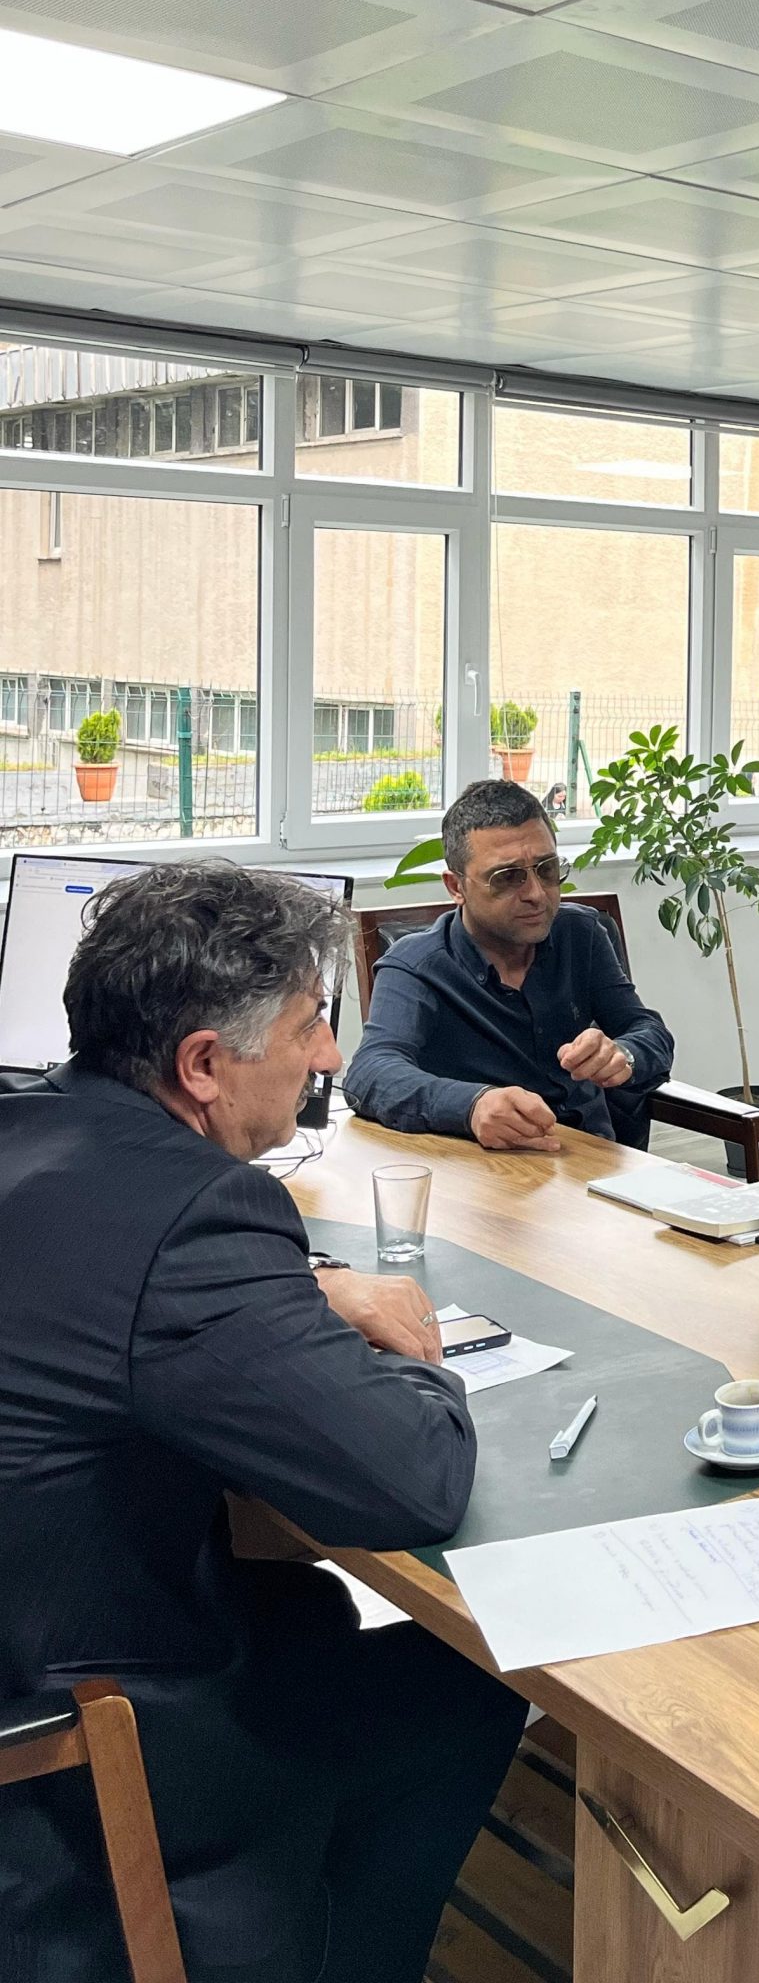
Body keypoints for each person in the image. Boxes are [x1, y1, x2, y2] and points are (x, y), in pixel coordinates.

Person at [0, 863, 528, 1983]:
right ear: (203, 1065)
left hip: (31, 1642)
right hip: (79, 1750)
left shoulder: (29, 1126)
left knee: (306, 1608)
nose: (329, 1055)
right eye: (306, 1025)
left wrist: (309, 1288)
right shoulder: (197, 1212)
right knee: (467, 1688)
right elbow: (412, 1482)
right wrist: (417, 1357)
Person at [344, 778, 673, 1150]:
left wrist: (623, 1054)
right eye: (507, 877)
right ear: (456, 887)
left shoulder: (580, 935)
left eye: (547, 869)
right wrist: (472, 1105)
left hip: (592, 1156)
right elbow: (370, 1073)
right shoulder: (418, 965)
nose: (536, 893)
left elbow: (648, 1030)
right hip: (489, 1166)